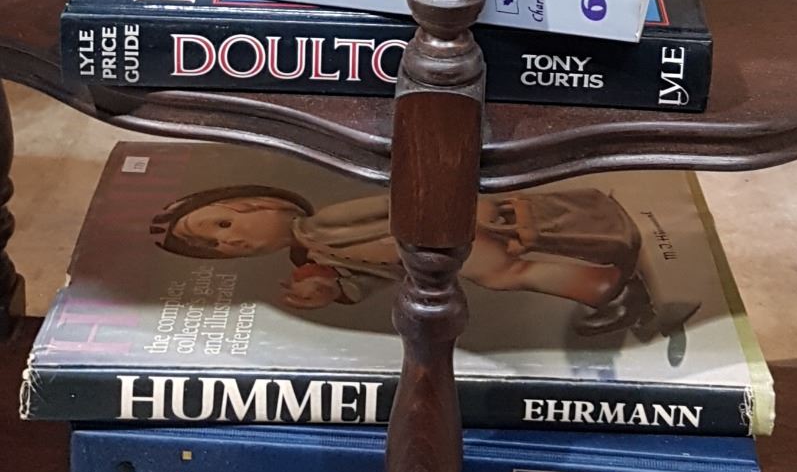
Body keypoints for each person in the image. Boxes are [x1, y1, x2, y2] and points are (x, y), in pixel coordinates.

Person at [150, 182, 644, 315]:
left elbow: (389, 206)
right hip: (430, 258)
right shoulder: (311, 254)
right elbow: (368, 278)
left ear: (267, 202)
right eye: (218, 246)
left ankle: (605, 280)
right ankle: (602, 286)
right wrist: (330, 289)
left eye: (223, 223)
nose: (230, 240)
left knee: (509, 264)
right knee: (508, 272)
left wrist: (462, 208)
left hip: (439, 231)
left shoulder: (323, 224)